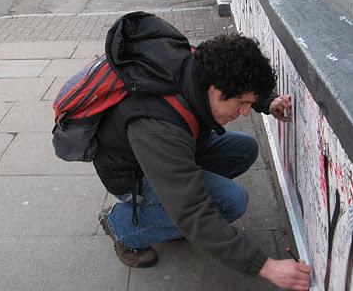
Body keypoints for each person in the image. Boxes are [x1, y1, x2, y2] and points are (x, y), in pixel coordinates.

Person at [96, 17, 312, 291]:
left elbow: (236, 74)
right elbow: (193, 211)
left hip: (174, 148)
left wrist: (267, 102)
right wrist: (265, 266)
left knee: (244, 149)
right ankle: (121, 226)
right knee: (231, 202)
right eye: (242, 103)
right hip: (131, 174)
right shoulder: (158, 128)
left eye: (250, 103)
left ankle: (168, 207)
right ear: (215, 90)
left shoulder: (199, 65)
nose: (245, 111)